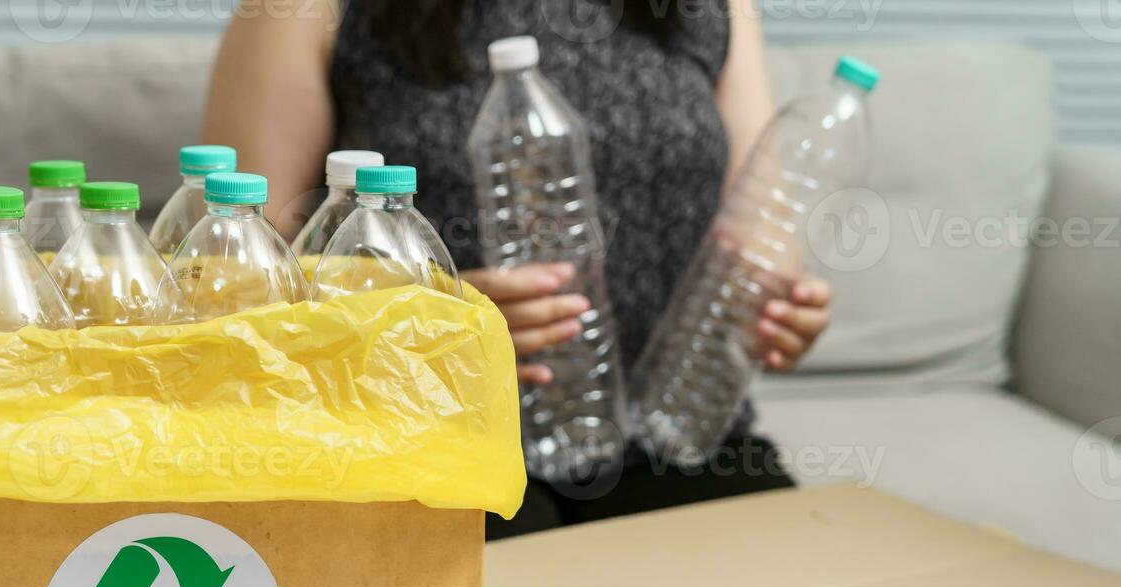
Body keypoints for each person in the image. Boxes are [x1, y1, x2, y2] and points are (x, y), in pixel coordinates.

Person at [201, 0, 833, 538]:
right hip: (428, 436)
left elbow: (763, 238)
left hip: (673, 437)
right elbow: (230, 280)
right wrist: (425, 309)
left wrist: (777, 314)